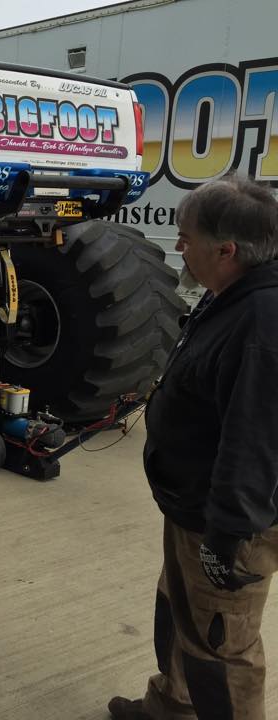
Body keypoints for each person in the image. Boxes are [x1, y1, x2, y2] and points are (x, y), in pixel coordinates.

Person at [109, 175, 278, 720]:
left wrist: (226, 537)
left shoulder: (263, 324)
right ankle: (171, 706)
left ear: (227, 250)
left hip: (228, 521)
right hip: (194, 504)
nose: (178, 246)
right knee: (180, 611)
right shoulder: (232, 291)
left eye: (186, 238)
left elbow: (257, 442)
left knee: (221, 648)